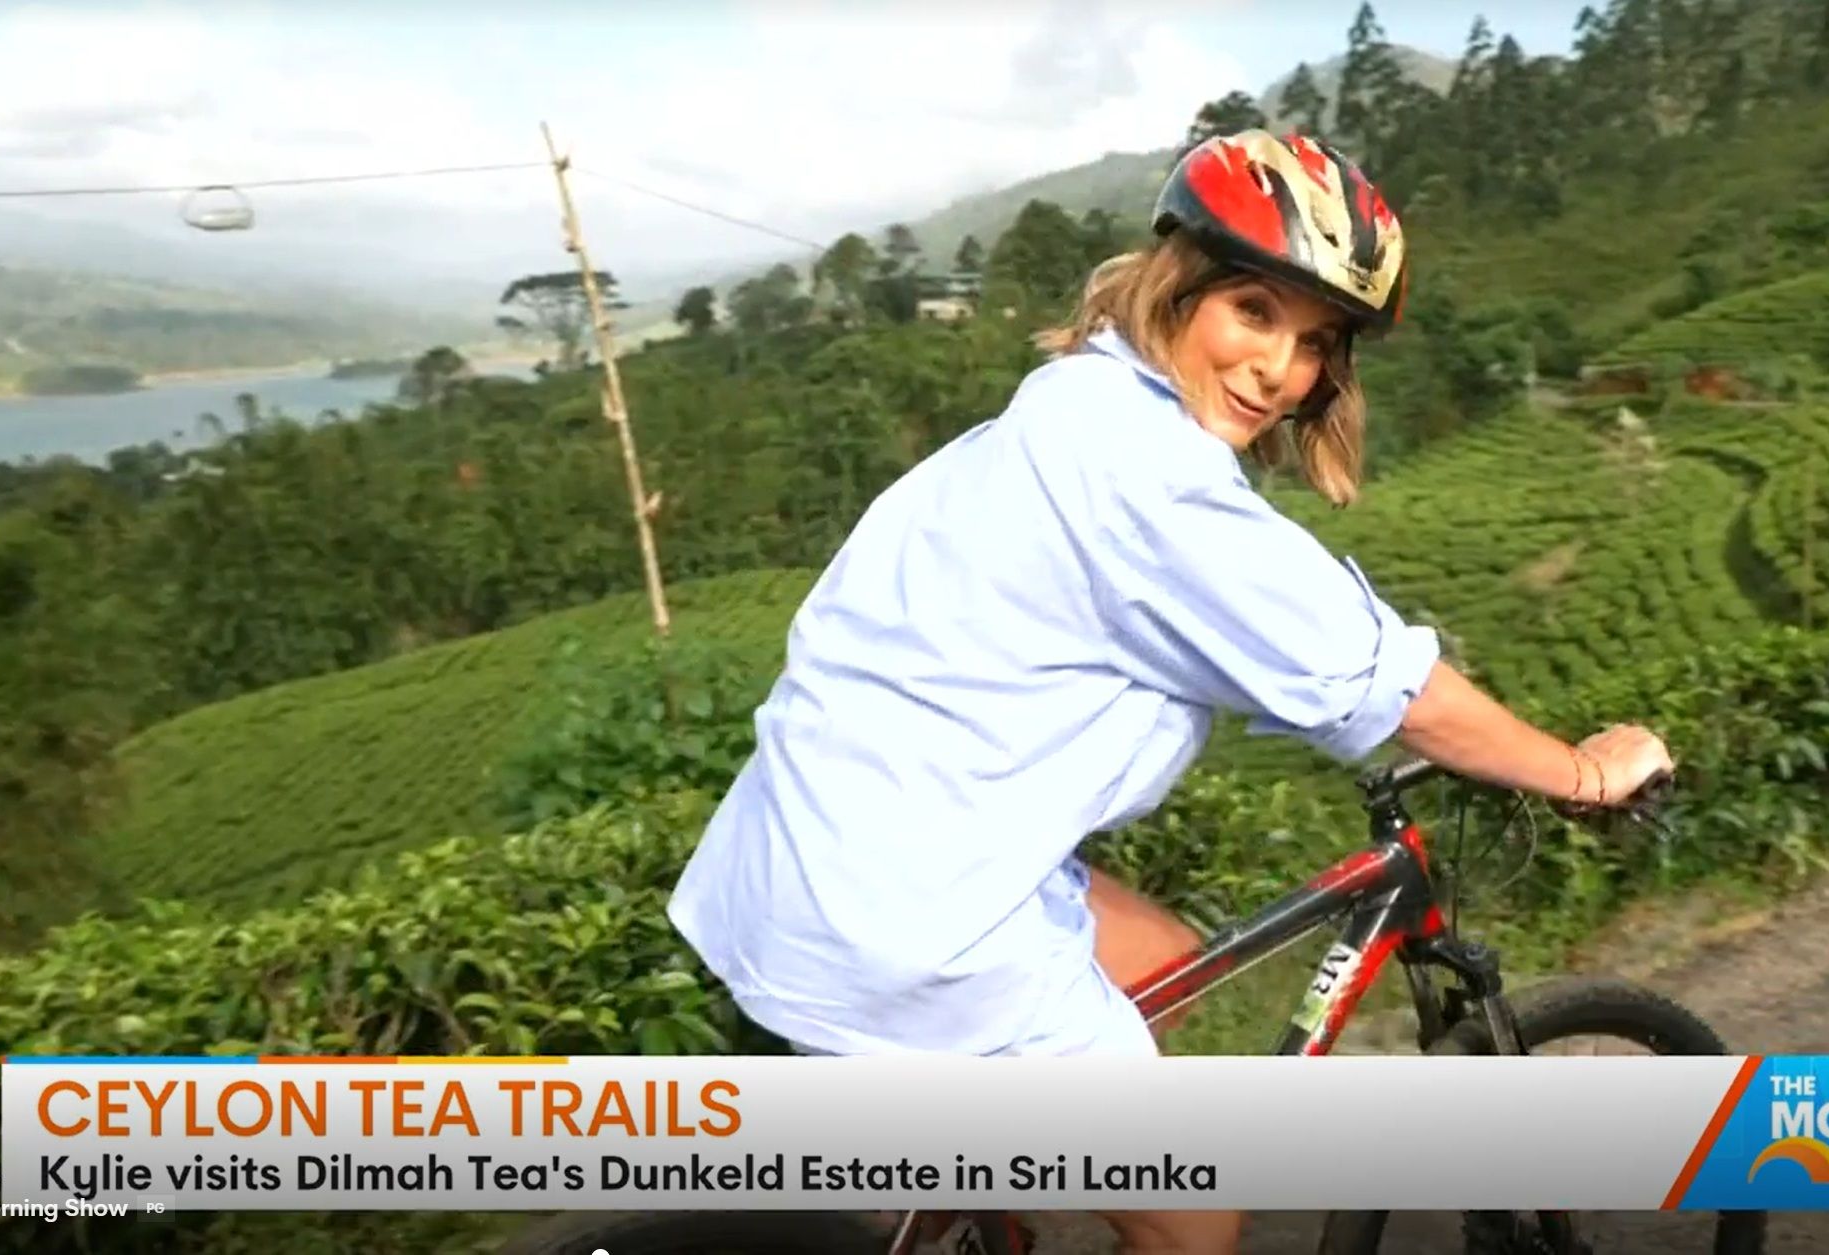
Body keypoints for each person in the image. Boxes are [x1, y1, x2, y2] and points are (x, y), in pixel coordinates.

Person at [667, 130, 1674, 1255]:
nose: (1278, 370)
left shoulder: (1083, 397)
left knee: (1165, 966)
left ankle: (966, 1195)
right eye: (1253, 310)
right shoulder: (1154, 486)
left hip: (832, 834)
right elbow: (1394, 690)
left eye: (1315, 342)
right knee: (1198, 1212)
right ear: (1179, 287)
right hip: (913, 910)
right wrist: (1582, 772)